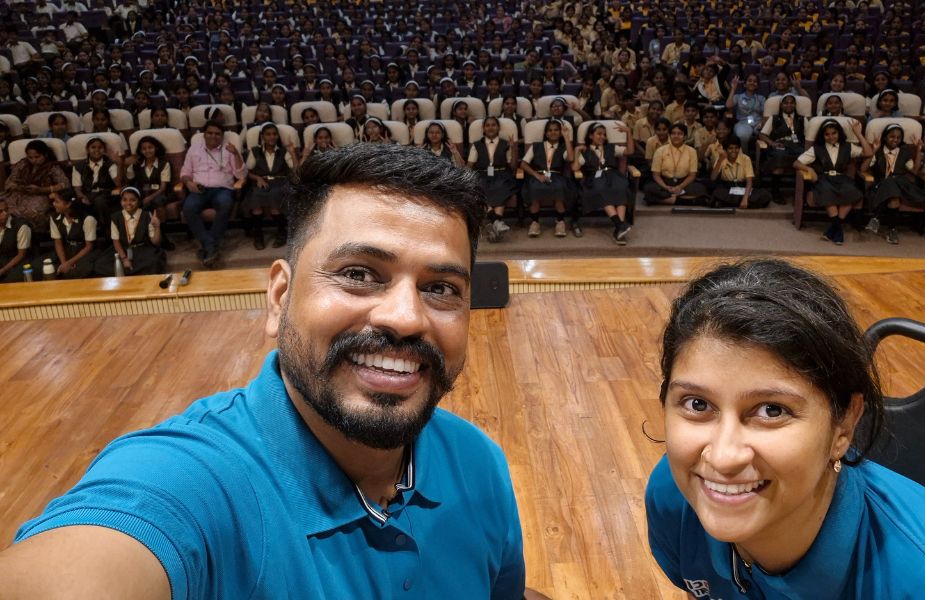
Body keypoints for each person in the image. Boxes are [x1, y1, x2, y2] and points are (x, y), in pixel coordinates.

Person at [2, 144, 535, 600]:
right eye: (358, 274)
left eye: (441, 288)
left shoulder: (479, 460)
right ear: (279, 297)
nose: (404, 317)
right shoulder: (188, 483)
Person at [645, 258, 925, 599]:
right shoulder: (675, 496)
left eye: (772, 410)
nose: (722, 458)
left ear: (844, 425)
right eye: (697, 404)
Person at [793, 119, 873, 246]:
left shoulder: (847, 146)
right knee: (826, 191)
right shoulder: (817, 148)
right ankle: (838, 230)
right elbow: (796, 163)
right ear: (822, 135)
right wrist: (809, 168)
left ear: (839, 133)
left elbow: (869, 153)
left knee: (853, 192)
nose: (831, 137)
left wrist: (858, 134)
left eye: (834, 133)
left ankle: (834, 228)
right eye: (827, 134)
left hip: (842, 178)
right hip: (824, 178)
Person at [180, 120, 248, 268]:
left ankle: (208, 246)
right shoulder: (194, 149)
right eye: (210, 133)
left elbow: (242, 175)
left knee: (225, 204)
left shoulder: (229, 150)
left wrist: (236, 154)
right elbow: (185, 172)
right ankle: (211, 245)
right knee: (188, 208)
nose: (213, 136)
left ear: (222, 136)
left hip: (222, 188)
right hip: (199, 189)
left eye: (217, 134)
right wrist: (188, 183)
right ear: (204, 134)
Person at [862, 124, 925, 245]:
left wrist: (918, 150)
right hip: (882, 185)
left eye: (898, 137)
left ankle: (876, 218)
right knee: (893, 197)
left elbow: (915, 171)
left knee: (892, 182)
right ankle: (892, 229)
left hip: (902, 185)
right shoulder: (879, 151)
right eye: (892, 136)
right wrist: (874, 150)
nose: (895, 140)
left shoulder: (905, 151)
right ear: (885, 137)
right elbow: (863, 168)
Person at [575, 121, 634, 245]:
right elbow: (575, 168)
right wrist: (577, 151)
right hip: (595, 178)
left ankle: (619, 228)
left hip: (613, 175)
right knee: (601, 190)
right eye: (599, 134)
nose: (602, 136)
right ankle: (620, 225)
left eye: (604, 134)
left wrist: (628, 132)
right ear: (591, 136)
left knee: (621, 187)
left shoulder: (611, 148)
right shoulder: (585, 150)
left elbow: (630, 151)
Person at [244, 123, 297, 250]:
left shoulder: (283, 151)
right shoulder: (255, 151)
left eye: (274, 134)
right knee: (256, 195)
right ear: (262, 136)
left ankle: (281, 233)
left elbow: (295, 170)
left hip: (280, 182)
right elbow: (248, 171)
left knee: (275, 194)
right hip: (261, 182)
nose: (271, 137)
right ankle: (258, 235)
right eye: (268, 134)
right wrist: (257, 178)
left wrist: (292, 153)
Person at [94, 186, 166, 276]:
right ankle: (133, 273)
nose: (128, 203)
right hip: (123, 249)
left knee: (154, 262)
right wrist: (124, 259)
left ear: (139, 202)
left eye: (133, 200)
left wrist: (157, 227)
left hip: (142, 249)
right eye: (125, 200)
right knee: (100, 265)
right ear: (121, 201)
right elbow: (116, 241)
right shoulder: (116, 217)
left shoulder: (147, 216)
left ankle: (129, 273)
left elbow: (156, 242)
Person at [521, 119, 576, 238]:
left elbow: (571, 158)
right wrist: (537, 175)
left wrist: (566, 138)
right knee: (535, 188)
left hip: (556, 176)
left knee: (559, 188)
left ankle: (560, 221)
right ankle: (535, 222)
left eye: (556, 130)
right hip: (539, 175)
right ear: (546, 133)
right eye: (550, 130)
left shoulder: (563, 146)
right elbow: (523, 164)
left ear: (560, 132)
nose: (553, 132)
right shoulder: (536, 146)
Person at [467, 116, 517, 243]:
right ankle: (497, 222)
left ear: (498, 128)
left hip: (501, 174)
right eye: (487, 125)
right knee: (479, 188)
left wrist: (513, 148)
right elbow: (470, 165)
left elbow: (513, 166)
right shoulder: (476, 145)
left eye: (493, 125)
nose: (490, 127)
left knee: (501, 187)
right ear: (483, 128)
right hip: (483, 174)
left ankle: (492, 223)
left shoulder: (506, 143)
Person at [0, 139, 69, 231]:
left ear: (45, 155)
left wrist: (42, 190)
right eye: (30, 157)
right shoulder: (23, 163)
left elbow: (65, 184)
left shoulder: (52, 167)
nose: (33, 160)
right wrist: (19, 187)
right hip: (18, 193)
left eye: (37, 157)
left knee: (32, 211)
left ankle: (23, 231)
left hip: (41, 195)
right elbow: (9, 181)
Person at [36, 189, 98, 279]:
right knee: (41, 266)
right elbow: (58, 242)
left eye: (57, 201)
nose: (54, 204)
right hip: (67, 250)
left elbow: (89, 246)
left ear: (68, 204)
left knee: (79, 270)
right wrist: (64, 262)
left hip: (83, 252)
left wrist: (70, 263)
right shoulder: (55, 218)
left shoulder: (87, 219)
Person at [758, 95, 806, 203]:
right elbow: (762, 135)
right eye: (786, 103)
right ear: (781, 105)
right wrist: (772, 143)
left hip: (797, 146)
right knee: (779, 156)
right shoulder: (774, 118)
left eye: (791, 102)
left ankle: (801, 194)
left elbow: (809, 137)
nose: (789, 105)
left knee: (805, 157)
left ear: (795, 105)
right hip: (780, 146)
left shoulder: (802, 119)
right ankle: (776, 192)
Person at [644, 123, 706, 205]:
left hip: (684, 183)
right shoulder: (660, 151)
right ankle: (684, 201)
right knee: (649, 188)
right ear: (669, 135)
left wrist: (680, 186)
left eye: (680, 134)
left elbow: (692, 175)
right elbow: (656, 174)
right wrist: (666, 187)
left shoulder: (691, 151)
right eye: (673, 133)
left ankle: (666, 199)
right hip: (665, 183)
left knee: (700, 188)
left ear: (685, 136)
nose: (676, 136)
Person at [71, 136, 122, 232]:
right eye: (93, 147)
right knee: (76, 204)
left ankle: (107, 231)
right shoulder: (78, 166)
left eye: (100, 147)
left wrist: (119, 164)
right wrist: (82, 197)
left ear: (104, 150)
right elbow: (77, 188)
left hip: (106, 194)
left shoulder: (109, 163)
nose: (97, 150)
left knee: (99, 202)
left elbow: (118, 183)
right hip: (88, 194)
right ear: (87, 149)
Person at [710, 136, 769, 209]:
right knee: (717, 193)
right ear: (725, 149)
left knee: (765, 195)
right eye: (730, 148)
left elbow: (749, 181)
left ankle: (734, 203)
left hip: (743, 187)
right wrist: (720, 160)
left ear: (739, 148)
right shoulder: (721, 159)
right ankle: (749, 204)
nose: (734, 151)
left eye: (736, 148)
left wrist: (745, 199)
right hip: (728, 188)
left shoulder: (746, 159)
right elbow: (713, 178)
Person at [0, 197, 32, 283]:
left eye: (6, 210)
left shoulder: (21, 226)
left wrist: (2, 271)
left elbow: (21, 255)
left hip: (17, 265)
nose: (5, 214)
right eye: (0, 212)